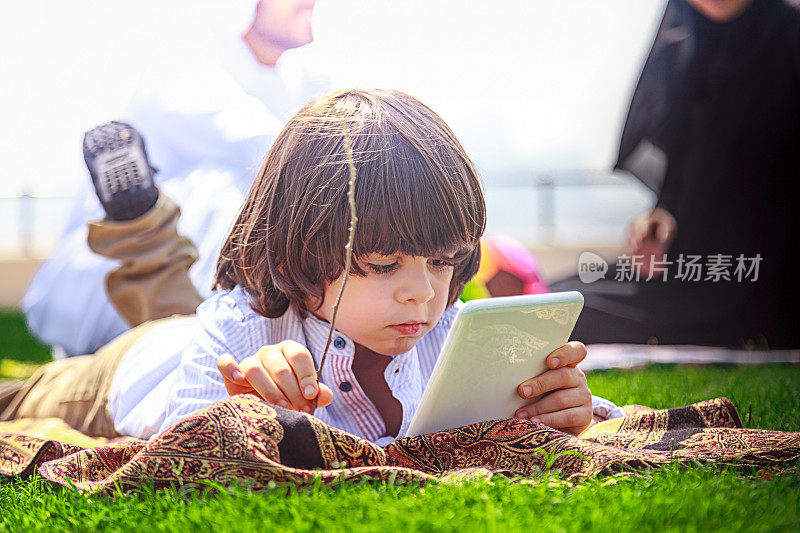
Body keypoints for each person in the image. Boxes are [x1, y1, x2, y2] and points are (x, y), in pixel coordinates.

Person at [1, 90, 623, 444]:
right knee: (23, 398)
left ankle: (143, 221)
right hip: (129, 375)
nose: (423, 296)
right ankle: (138, 218)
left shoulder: (455, 332)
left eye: (442, 262)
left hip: (195, 327)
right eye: (382, 265)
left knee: (170, 297)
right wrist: (241, 412)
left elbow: (582, 420)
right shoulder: (242, 329)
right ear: (299, 251)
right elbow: (183, 445)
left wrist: (568, 408)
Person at [22, 0, 331, 357]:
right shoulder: (187, 67)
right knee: (232, 187)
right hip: (117, 272)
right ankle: (220, 336)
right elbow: (264, 145)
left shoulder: (303, 83)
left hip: (196, 274)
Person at [553, 0, 800, 348]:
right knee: (559, 296)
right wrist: (660, 219)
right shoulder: (686, 47)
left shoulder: (789, 35)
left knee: (573, 316)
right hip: (688, 268)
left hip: (763, 281)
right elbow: (689, 176)